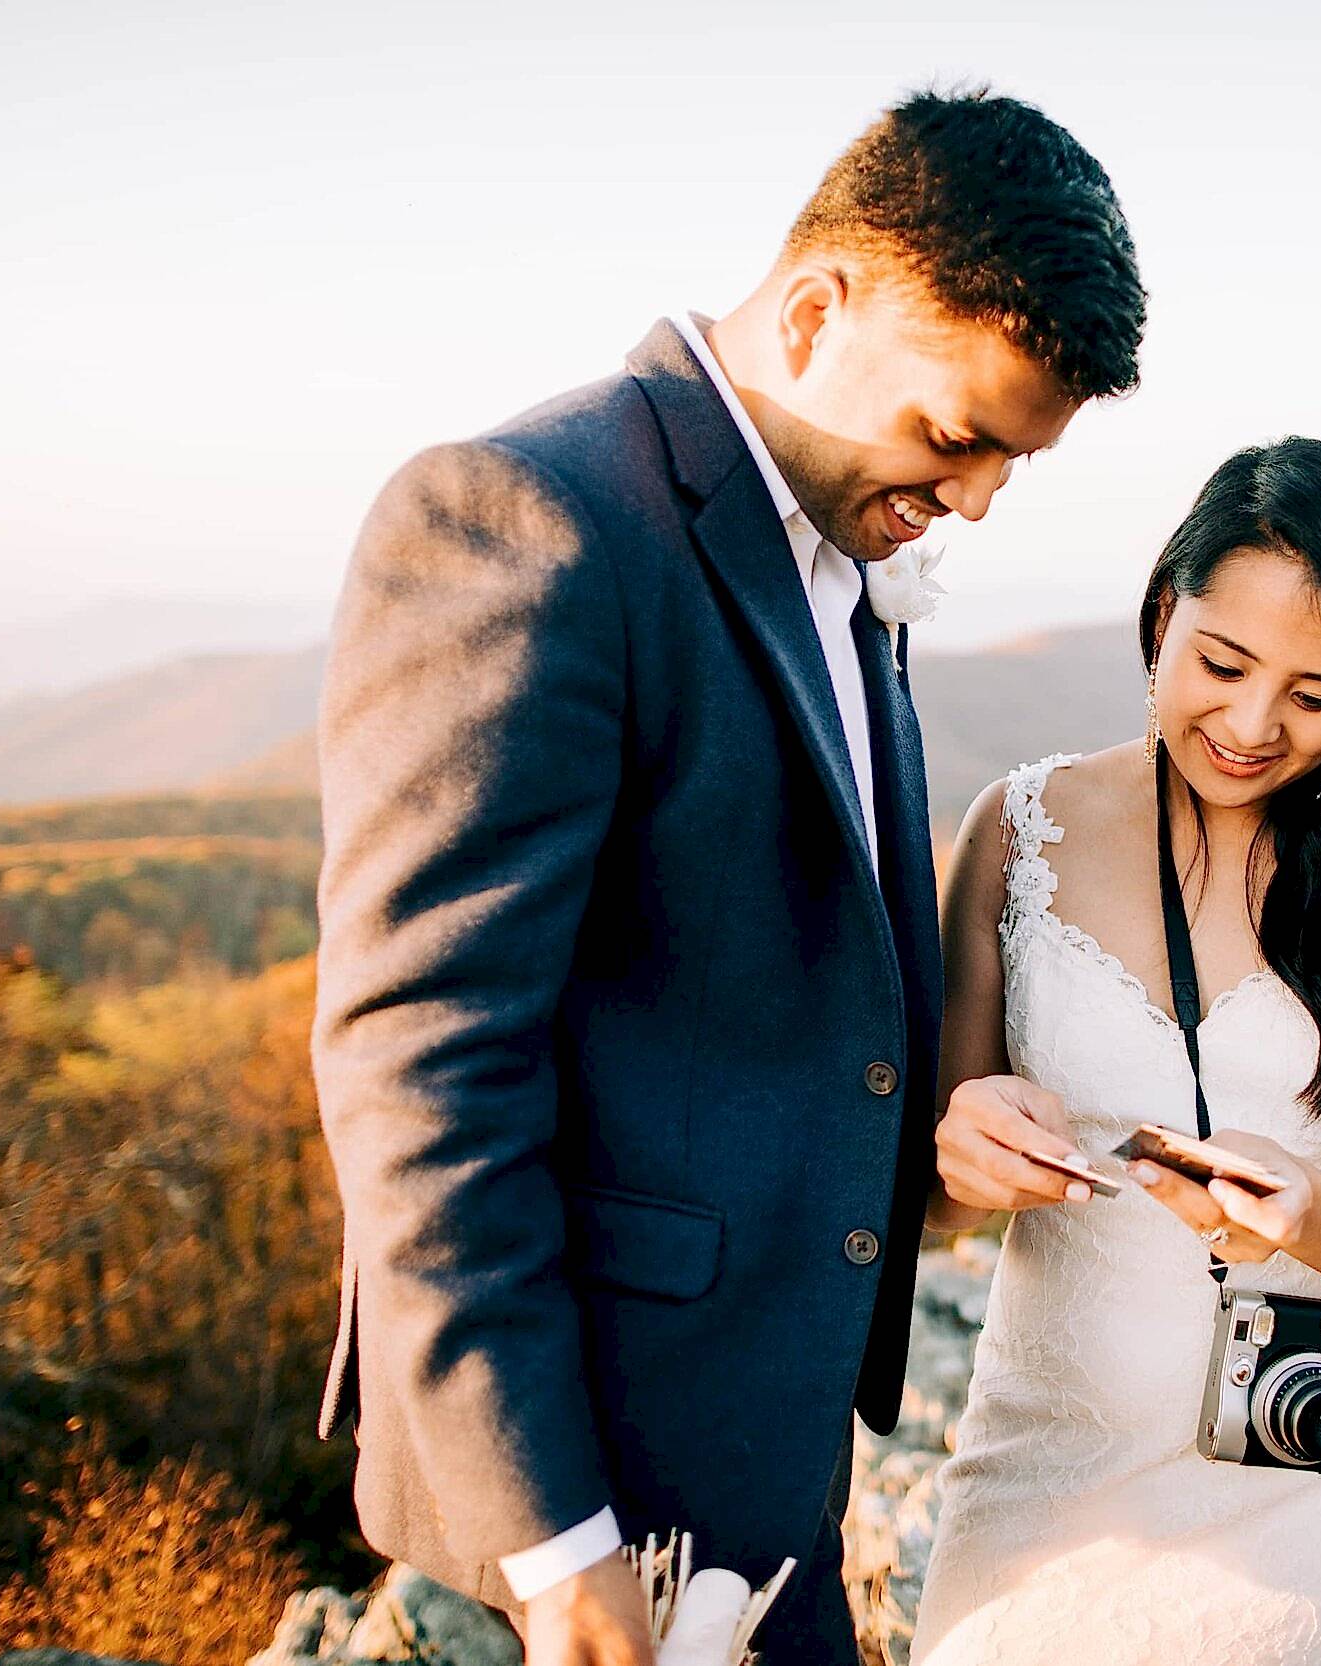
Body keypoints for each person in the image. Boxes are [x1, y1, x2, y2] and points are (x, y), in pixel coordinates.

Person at [308, 89, 1145, 1666]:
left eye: (1012, 464)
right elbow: (418, 1062)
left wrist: (938, 1131)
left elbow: (762, 988)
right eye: (959, 437)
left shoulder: (839, 546)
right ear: (818, 310)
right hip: (581, 1498)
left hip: (767, 1469)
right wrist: (553, 1544)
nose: (972, 499)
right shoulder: (527, 518)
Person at [912, 437, 1321, 1665]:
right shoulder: (1016, 830)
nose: (1248, 724)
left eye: (1315, 695)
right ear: (1160, 615)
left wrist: (1307, 1212)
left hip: (1293, 1498)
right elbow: (922, 1206)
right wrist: (963, 1159)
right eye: (1220, 662)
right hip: (1039, 1475)